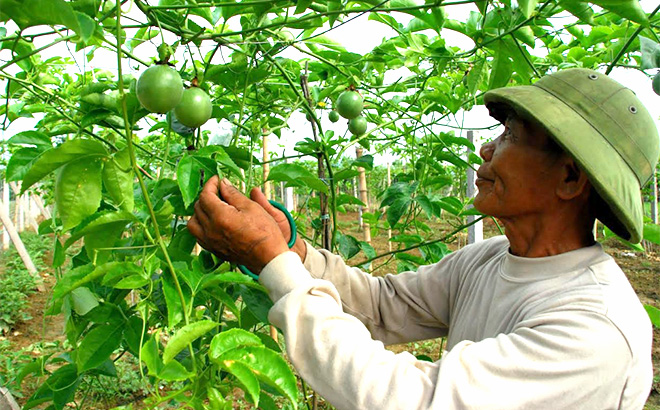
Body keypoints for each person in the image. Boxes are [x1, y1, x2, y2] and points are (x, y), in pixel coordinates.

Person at [187, 68, 659, 410]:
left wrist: (272, 262)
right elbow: (383, 303)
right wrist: (293, 252)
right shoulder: (491, 258)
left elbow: (409, 400)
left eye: (511, 134)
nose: (487, 148)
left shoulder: (595, 329)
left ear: (571, 178)